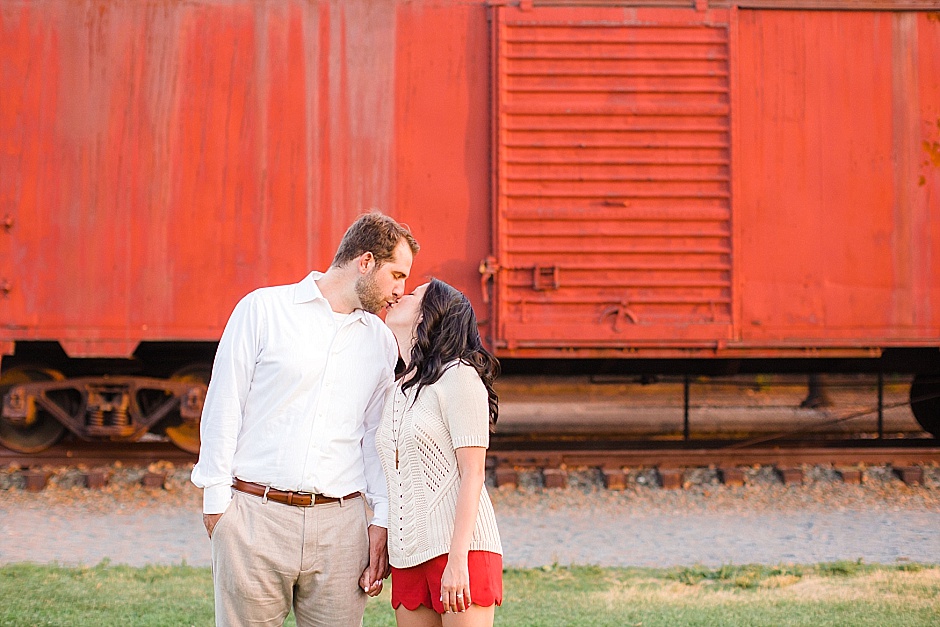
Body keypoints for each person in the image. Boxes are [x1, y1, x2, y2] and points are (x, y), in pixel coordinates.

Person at [191, 211, 419, 627]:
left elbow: (376, 438)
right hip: (255, 519)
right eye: (397, 276)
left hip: (341, 528)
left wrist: (381, 519)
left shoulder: (381, 341)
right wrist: (218, 508)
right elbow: (224, 404)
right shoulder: (263, 310)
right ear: (365, 262)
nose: (401, 292)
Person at [378, 279, 503, 627]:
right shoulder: (397, 387)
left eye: (414, 294)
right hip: (407, 555)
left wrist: (458, 559)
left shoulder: (459, 377)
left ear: (429, 315)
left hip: (461, 551)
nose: (400, 294)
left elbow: (473, 474)